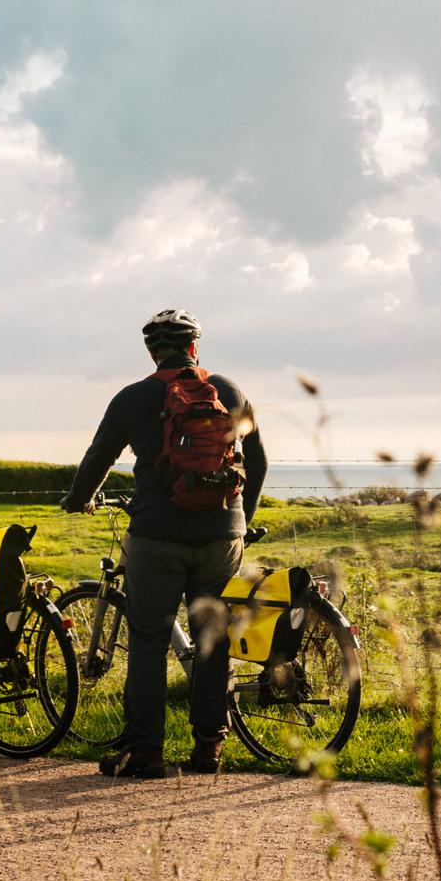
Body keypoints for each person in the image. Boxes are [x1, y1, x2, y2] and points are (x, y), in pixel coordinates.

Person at [60, 308, 268, 779]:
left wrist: (78, 498)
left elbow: (98, 458)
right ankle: (208, 749)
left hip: (156, 535)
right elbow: (258, 460)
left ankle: (146, 752)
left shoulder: (132, 398)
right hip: (221, 536)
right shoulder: (230, 392)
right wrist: (240, 521)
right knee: (212, 640)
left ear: (153, 352)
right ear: (195, 348)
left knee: (149, 642)